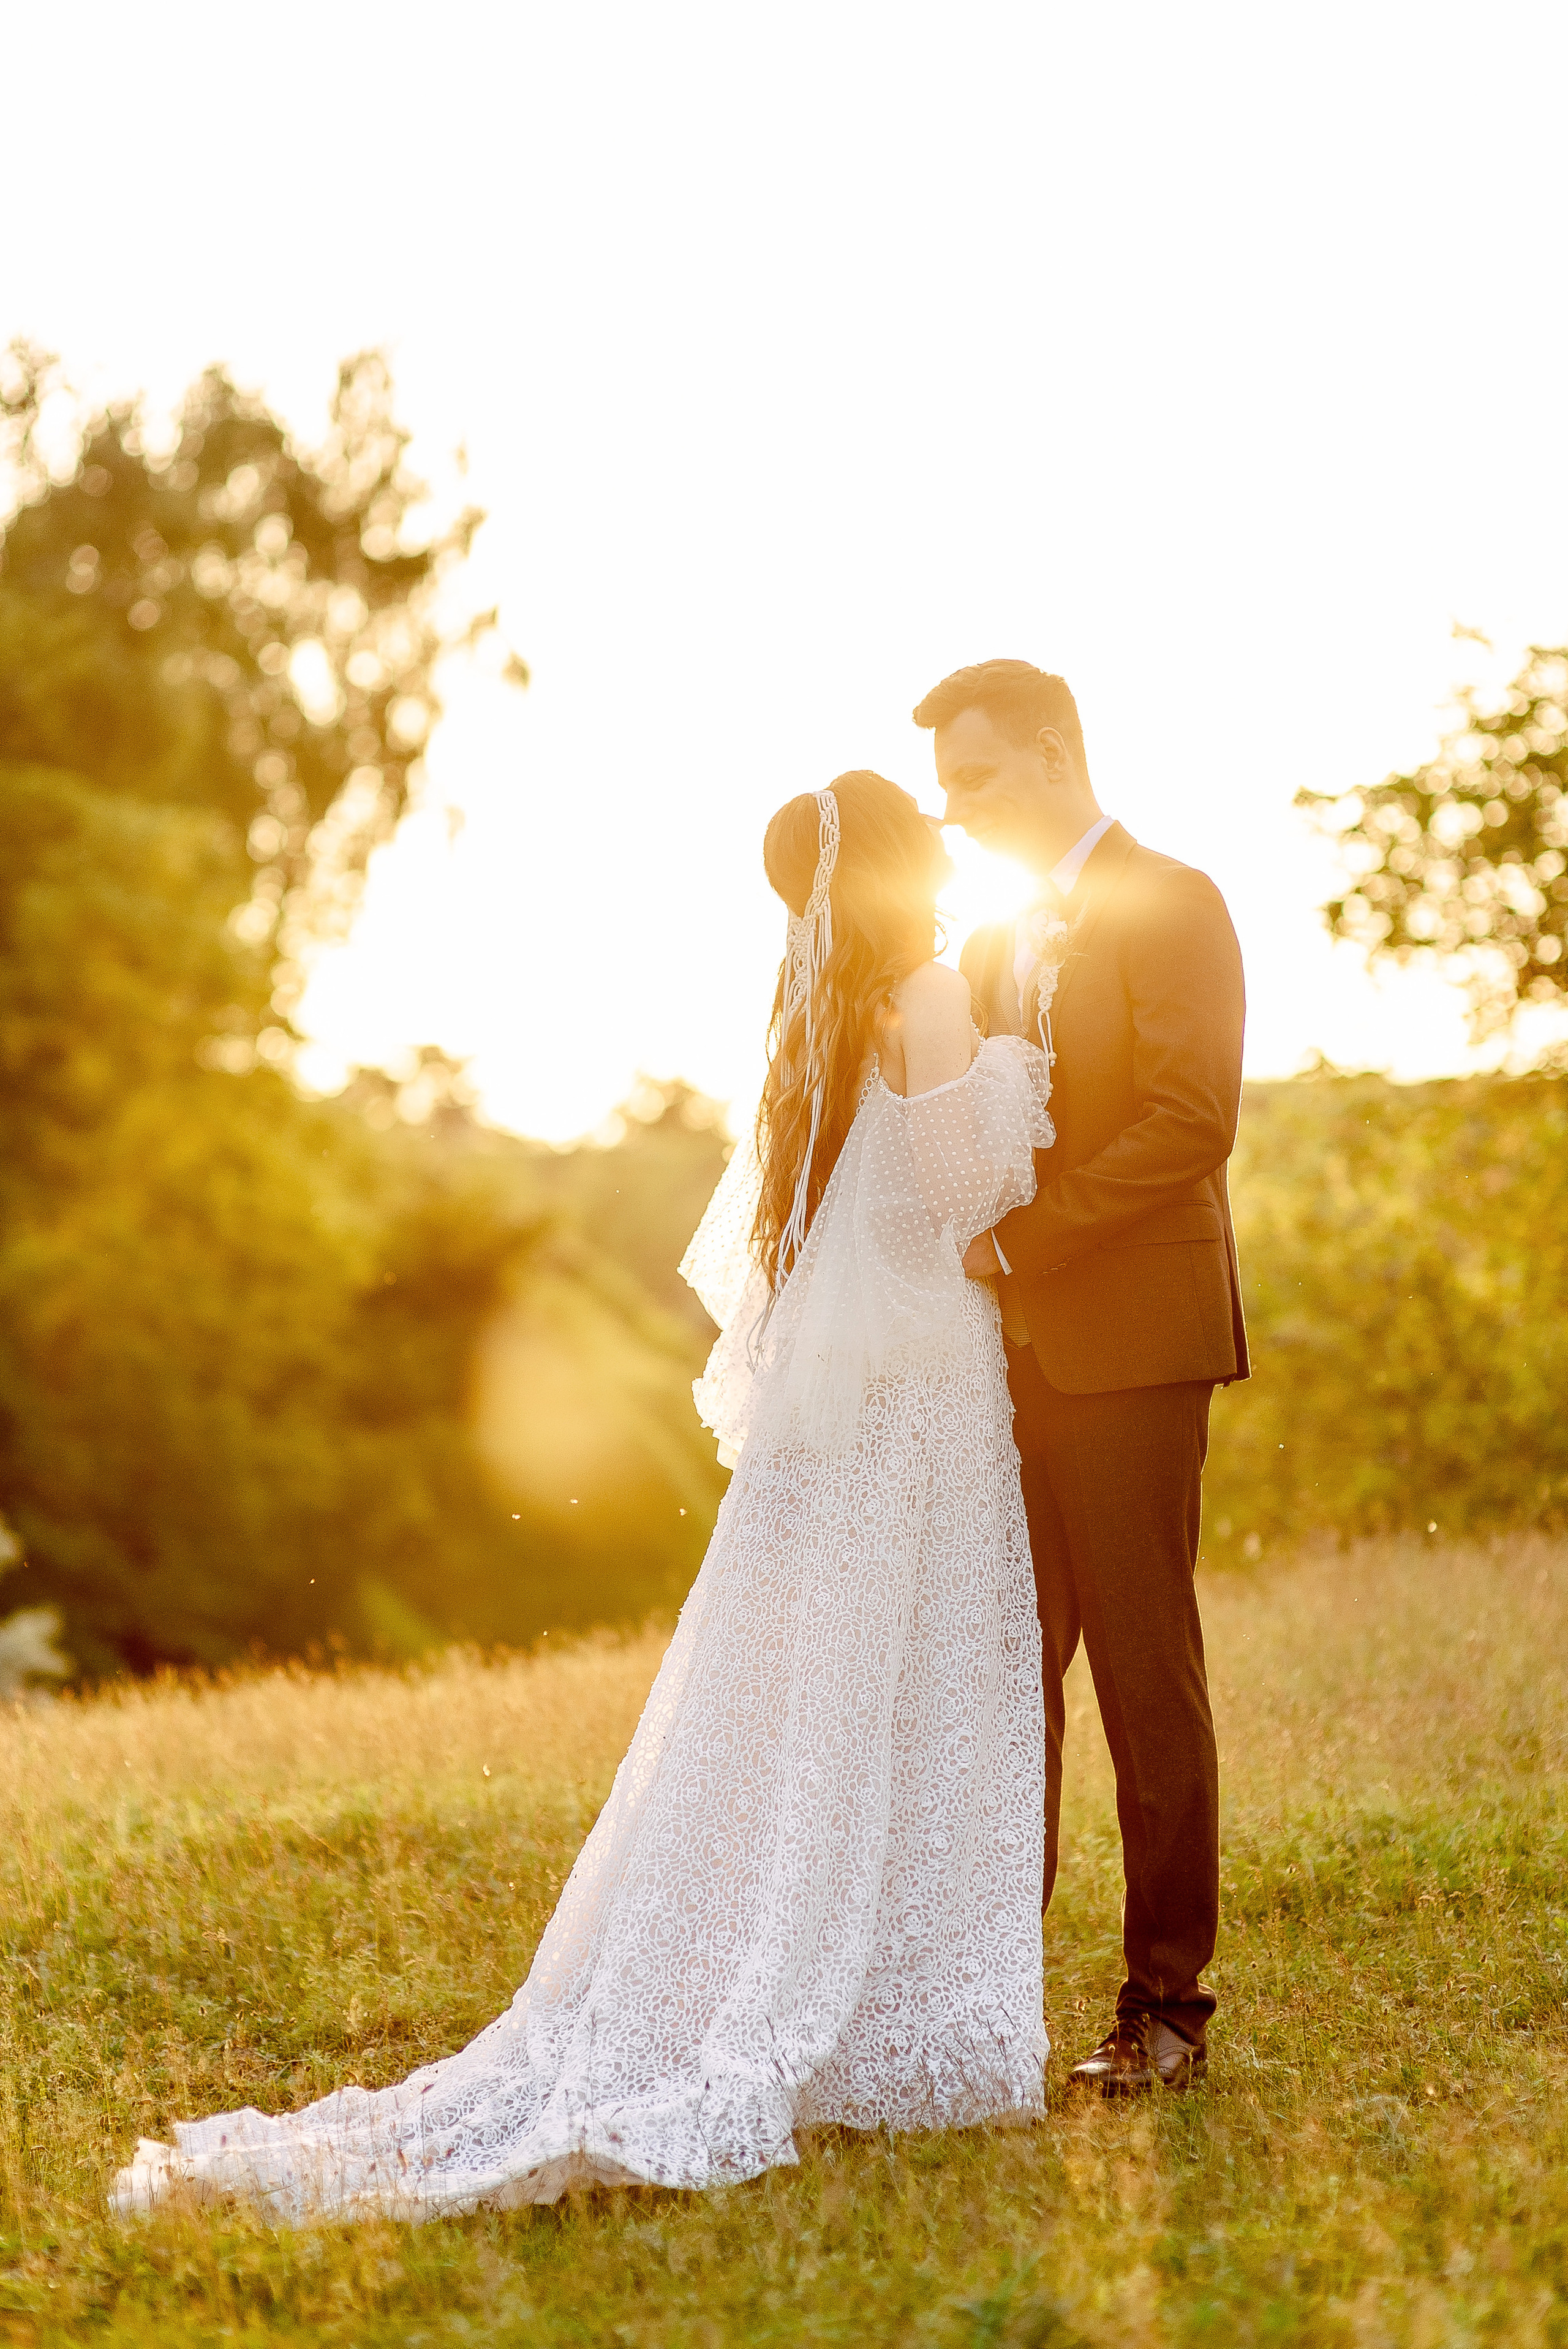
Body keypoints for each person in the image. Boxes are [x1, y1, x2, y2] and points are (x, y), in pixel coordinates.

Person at [113, 770, 1057, 2224]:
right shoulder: (927, 990)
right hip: (922, 1392)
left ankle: (835, 1992)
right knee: (918, 1678)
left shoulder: (809, 1026)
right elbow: (959, 1198)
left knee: (819, 1696)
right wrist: (1019, 1130)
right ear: (895, 862)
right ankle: (874, 2018)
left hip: (852, 1400)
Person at [915, 658, 1248, 2095]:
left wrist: (1025, 1246)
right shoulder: (990, 940)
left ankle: (1163, 2005)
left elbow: (1189, 1119)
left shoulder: (1175, 902)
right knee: (1004, 1682)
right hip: (1010, 1361)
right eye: (942, 790)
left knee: (1139, 1670)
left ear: (1053, 753)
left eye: (974, 780)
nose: (955, 812)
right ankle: (984, 2002)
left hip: (1130, 1350)